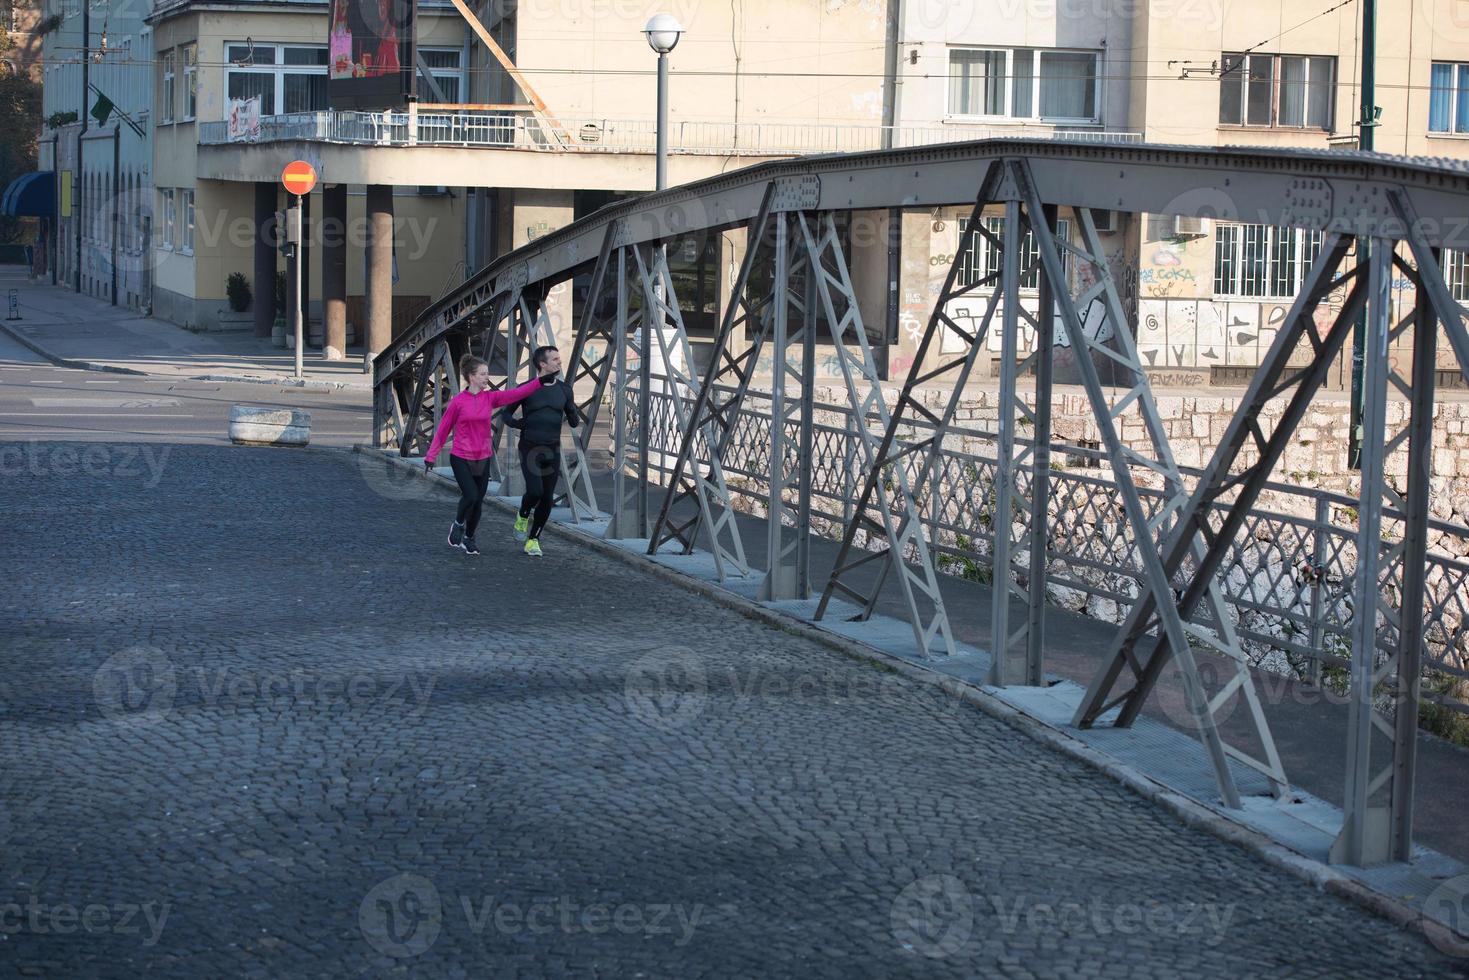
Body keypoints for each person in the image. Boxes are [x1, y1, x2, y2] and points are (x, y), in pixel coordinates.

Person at [423, 354, 549, 556]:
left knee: (478, 501)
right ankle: (457, 523)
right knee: (470, 495)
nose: (486, 377)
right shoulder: (458, 402)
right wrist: (431, 456)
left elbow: (517, 393)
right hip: (461, 456)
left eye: (487, 374)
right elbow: (443, 429)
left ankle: (469, 538)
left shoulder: (490, 398)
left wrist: (540, 381)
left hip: (482, 457)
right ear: (472, 377)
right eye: (483, 374)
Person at [500, 345, 581, 557]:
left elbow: (573, 420)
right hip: (530, 447)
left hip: (552, 450)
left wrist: (573, 413)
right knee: (534, 492)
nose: (559, 362)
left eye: (559, 358)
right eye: (554, 359)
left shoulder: (565, 390)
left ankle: (533, 539)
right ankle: (523, 514)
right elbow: (505, 413)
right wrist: (518, 424)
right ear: (542, 364)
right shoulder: (527, 388)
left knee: (546, 498)